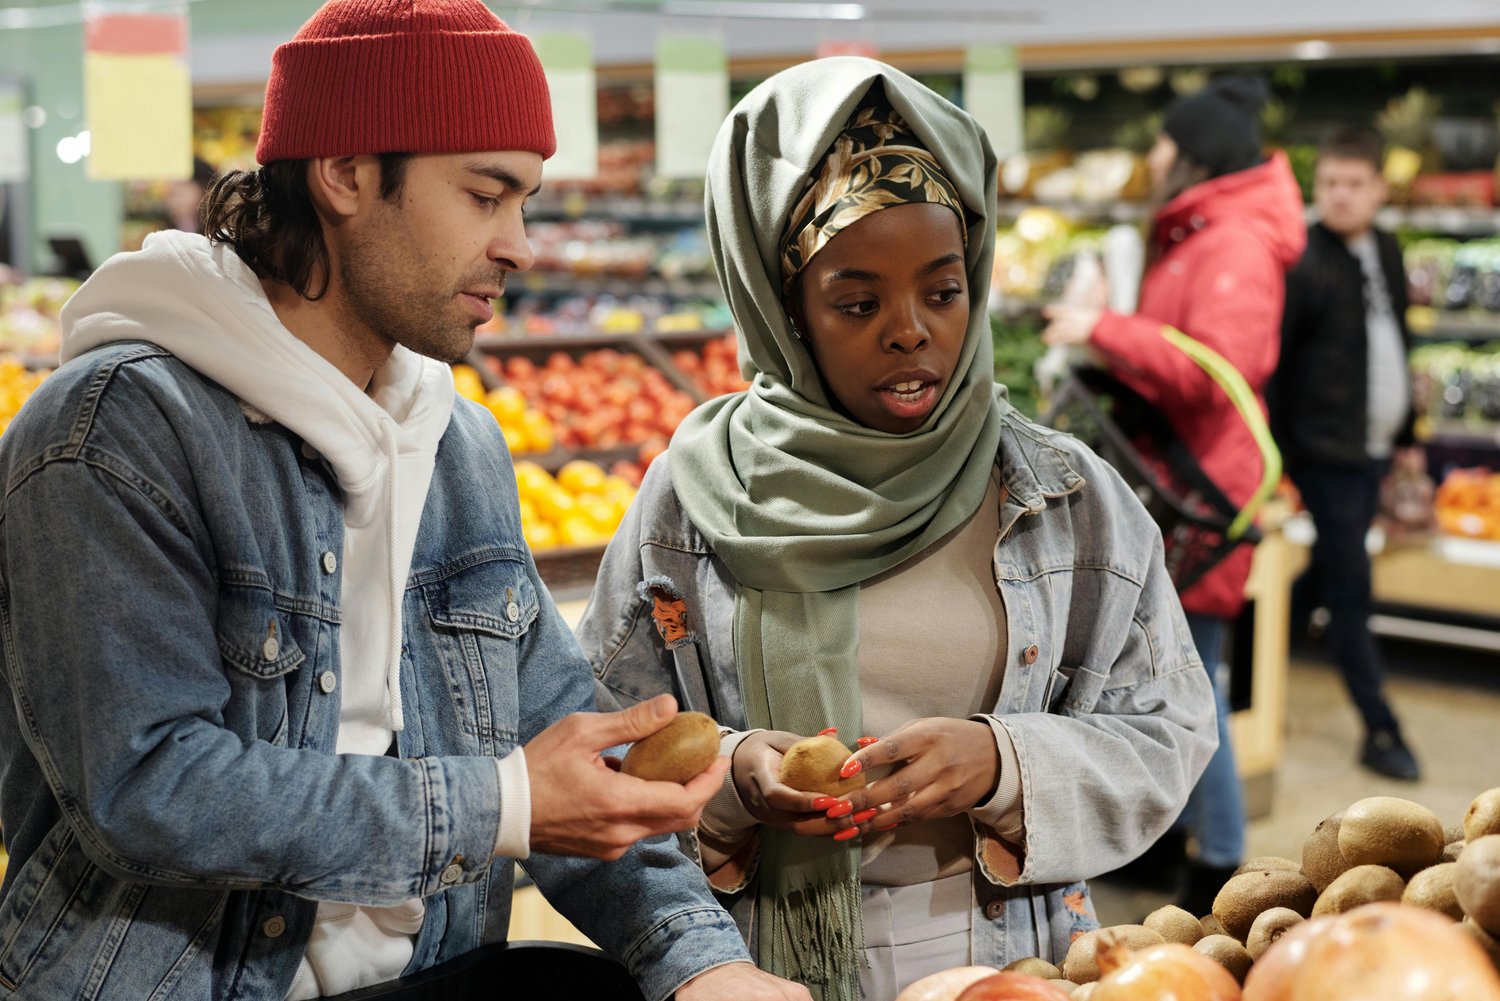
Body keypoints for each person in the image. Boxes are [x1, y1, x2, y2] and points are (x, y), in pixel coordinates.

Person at [0, 3, 809, 1000]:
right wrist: (496, 803)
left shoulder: (455, 442)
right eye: (484, 193)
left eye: (528, 200)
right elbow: (149, 784)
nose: (517, 243)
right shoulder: (117, 430)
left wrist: (702, 959)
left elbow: (556, 738)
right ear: (342, 172)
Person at [576, 58, 1217, 1001]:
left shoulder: (1067, 500)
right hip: (747, 966)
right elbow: (594, 753)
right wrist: (730, 776)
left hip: (1010, 963)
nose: (912, 331)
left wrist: (1003, 760)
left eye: (944, 290)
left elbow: (1169, 732)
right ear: (784, 306)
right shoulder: (688, 504)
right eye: (858, 301)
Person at [1041, 74, 1307, 915]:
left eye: (1161, 141)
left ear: (1189, 152)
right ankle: (1181, 843)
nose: (1149, 156)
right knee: (1172, 672)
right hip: (1182, 480)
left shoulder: (1231, 243)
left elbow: (1218, 372)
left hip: (1202, 493)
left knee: (1196, 682)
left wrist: (1103, 332)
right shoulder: (1201, 233)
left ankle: (1221, 861)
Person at [1270, 126, 1421, 781]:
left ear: (1380, 189)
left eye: (1354, 183)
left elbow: (1397, 342)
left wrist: (1409, 434)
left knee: (1326, 573)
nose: (1339, 195)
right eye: (1329, 182)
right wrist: (1276, 460)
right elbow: (1276, 363)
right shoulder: (1302, 257)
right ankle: (1381, 728)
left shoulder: (1386, 247)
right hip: (1324, 453)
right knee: (1352, 587)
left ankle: (1251, 663)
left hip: (1373, 448)